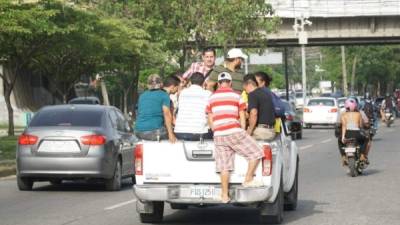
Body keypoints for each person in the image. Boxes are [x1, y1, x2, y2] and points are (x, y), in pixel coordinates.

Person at [206, 72, 264, 203]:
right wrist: (243, 130)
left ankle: (225, 195)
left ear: (219, 84)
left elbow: (210, 118)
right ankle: (248, 178)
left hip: (219, 134)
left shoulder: (211, 97)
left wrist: (215, 129)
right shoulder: (237, 96)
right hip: (234, 131)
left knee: (224, 166)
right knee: (257, 152)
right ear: (230, 83)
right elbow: (242, 115)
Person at [134, 74, 179, 143]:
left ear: (148, 85)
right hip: (154, 132)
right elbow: (167, 115)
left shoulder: (142, 96)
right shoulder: (164, 95)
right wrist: (171, 134)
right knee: (176, 136)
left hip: (137, 131)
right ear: (161, 84)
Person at [174, 72, 213, 140]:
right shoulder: (208, 94)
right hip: (200, 133)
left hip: (179, 132)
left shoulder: (182, 93)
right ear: (204, 82)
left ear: (191, 82)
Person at [242, 74, 276, 141]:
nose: (245, 91)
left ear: (248, 84)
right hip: (271, 131)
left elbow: (254, 113)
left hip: (261, 132)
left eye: (245, 88)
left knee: (242, 144)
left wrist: (249, 131)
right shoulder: (265, 93)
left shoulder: (252, 94)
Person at [340, 98, 367, 164]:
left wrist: (343, 137)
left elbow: (344, 126)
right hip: (357, 133)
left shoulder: (343, 115)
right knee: (365, 139)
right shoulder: (358, 114)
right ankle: (362, 155)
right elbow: (360, 126)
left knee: (339, 141)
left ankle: (343, 156)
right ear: (355, 106)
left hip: (347, 133)